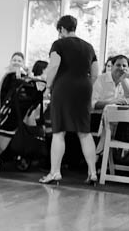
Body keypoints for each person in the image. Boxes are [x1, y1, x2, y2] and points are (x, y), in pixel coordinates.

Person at [40, 14, 100, 185]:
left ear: (61, 29)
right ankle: (92, 172)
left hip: (64, 87)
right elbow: (95, 72)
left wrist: (48, 86)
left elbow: (54, 65)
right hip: (84, 87)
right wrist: (84, 83)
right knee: (84, 132)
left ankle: (55, 172)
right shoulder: (88, 47)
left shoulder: (58, 44)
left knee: (59, 132)